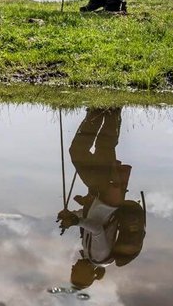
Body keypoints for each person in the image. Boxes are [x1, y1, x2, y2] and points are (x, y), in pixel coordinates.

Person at [55, 106, 146, 294]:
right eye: (75, 272)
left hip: (101, 194)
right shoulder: (98, 257)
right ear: (86, 273)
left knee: (97, 149)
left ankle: (104, 111)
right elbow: (96, 229)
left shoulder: (90, 254)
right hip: (106, 193)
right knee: (88, 150)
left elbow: (93, 221)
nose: (72, 267)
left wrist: (73, 215)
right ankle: (105, 111)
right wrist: (75, 221)